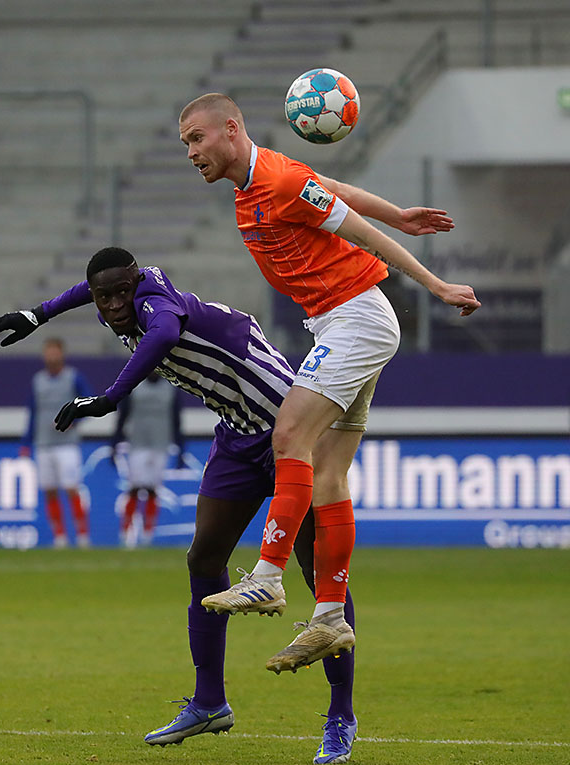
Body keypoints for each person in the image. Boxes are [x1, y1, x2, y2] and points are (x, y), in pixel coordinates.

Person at [0, 247, 359, 764]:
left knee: (319, 572)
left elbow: (161, 336)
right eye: (104, 297)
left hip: (288, 427)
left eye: (122, 292)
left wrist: (111, 397)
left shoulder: (157, 304)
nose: (114, 304)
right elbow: (88, 288)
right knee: (204, 558)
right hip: (238, 432)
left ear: (136, 283)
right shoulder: (116, 297)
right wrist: (37, 313)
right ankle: (209, 702)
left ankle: (340, 716)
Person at [177, 93, 480, 673]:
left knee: (289, 435)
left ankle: (267, 576)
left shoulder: (279, 181)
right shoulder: (260, 183)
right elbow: (333, 188)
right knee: (327, 473)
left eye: (197, 138)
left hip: (357, 318)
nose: (190, 152)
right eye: (186, 143)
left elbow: (361, 234)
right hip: (337, 322)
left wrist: (436, 286)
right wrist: (400, 212)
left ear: (231, 129)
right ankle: (330, 616)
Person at [22, 338, 92, 548]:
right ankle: (59, 537)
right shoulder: (38, 380)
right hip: (43, 443)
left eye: (55, 352)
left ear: (62, 354)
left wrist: (74, 421)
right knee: (50, 490)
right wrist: (26, 441)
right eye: (48, 352)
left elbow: (89, 403)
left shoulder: (73, 377)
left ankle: (82, 535)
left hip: (67, 443)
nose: (51, 357)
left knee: (71, 488)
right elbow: (33, 411)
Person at [111, 372, 183, 547]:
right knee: (134, 487)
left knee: (152, 489)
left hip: (160, 444)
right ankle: (126, 533)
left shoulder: (170, 389)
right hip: (138, 444)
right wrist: (114, 442)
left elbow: (176, 420)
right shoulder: (134, 386)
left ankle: (148, 534)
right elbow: (123, 415)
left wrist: (181, 448)